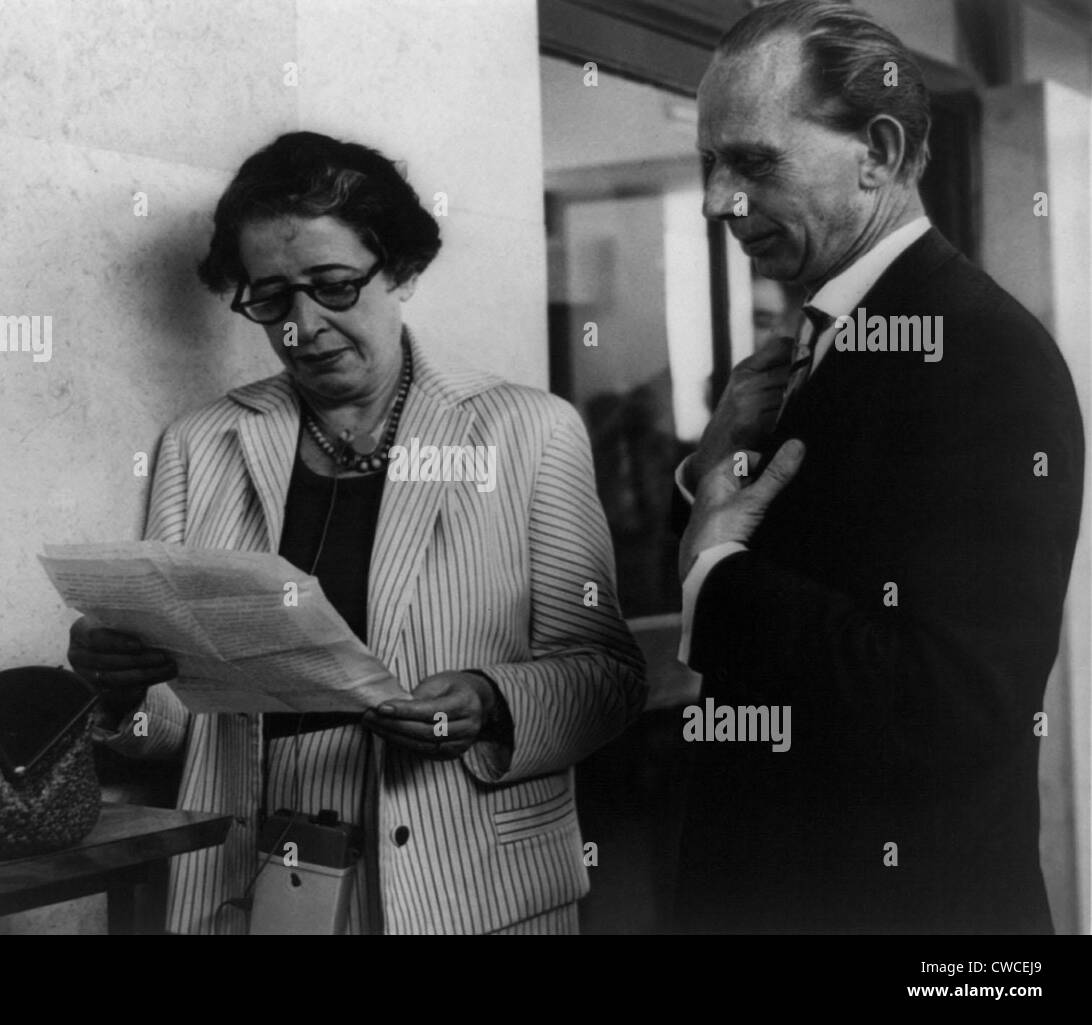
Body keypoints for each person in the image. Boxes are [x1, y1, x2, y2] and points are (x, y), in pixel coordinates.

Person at [68, 131, 646, 934]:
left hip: (466, 885)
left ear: (402, 270)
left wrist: (491, 698)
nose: (303, 326)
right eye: (271, 300)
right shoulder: (200, 445)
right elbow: (179, 725)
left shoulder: (528, 432)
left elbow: (610, 677)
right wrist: (126, 685)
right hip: (256, 878)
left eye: (334, 287)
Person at [674, 0, 1083, 933]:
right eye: (709, 163)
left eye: (753, 162)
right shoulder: (825, 336)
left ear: (882, 152)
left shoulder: (987, 359)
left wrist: (715, 574)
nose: (714, 202)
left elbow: (951, 706)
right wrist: (708, 482)